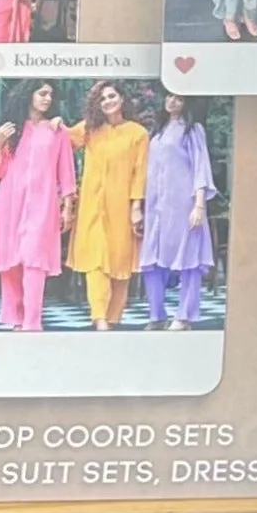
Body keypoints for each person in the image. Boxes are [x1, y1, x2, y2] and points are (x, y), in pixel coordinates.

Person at [0, 79, 76, 332]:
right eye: (42, 93)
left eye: (50, 94)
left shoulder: (57, 131)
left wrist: (67, 207)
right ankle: (15, 318)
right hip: (9, 202)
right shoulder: (11, 130)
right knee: (11, 262)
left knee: (34, 260)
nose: (47, 98)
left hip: (42, 204)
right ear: (29, 95)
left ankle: (32, 322)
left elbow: (66, 172)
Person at [68, 77, 149, 330]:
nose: (107, 102)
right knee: (96, 261)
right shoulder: (90, 129)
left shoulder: (138, 133)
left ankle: (113, 319)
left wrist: (136, 207)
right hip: (92, 206)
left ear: (122, 99)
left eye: (112, 96)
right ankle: (99, 317)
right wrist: (55, 124)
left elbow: (140, 172)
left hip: (121, 207)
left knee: (120, 265)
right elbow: (62, 142)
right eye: (102, 99)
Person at [140, 91, 216, 329]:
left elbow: (200, 168)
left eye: (179, 98)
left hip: (183, 205)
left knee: (189, 259)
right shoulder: (158, 132)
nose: (172, 101)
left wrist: (199, 205)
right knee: (151, 260)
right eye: (169, 97)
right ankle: (156, 315)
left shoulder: (192, 130)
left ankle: (184, 316)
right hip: (156, 207)